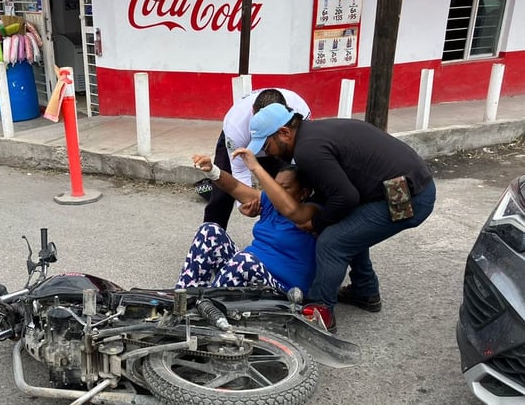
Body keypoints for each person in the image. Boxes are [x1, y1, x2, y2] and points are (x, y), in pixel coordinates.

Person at [233, 103, 436, 325]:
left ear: (284, 133)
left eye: (267, 145)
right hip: (404, 184)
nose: (267, 152)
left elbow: (347, 198)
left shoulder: (307, 150)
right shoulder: (313, 135)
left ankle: (320, 312)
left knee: (333, 241)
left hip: (407, 196)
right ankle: (365, 290)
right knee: (350, 228)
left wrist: (317, 222)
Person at [178, 158, 318, 294]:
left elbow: (297, 212)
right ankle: (185, 296)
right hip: (247, 271)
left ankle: (204, 305)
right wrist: (212, 170)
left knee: (244, 260)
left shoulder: (310, 211)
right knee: (209, 231)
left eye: (285, 188)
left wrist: (255, 167)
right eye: (276, 187)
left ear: (304, 193)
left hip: (281, 287)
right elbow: (235, 187)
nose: (277, 193)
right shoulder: (271, 203)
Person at [203, 88, 312, 230]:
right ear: (253, 112)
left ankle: (286, 238)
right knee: (221, 195)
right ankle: (211, 240)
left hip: (282, 144)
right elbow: (239, 170)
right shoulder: (236, 126)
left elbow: (299, 164)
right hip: (244, 143)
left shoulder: (299, 110)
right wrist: (244, 203)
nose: (266, 150)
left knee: (287, 190)